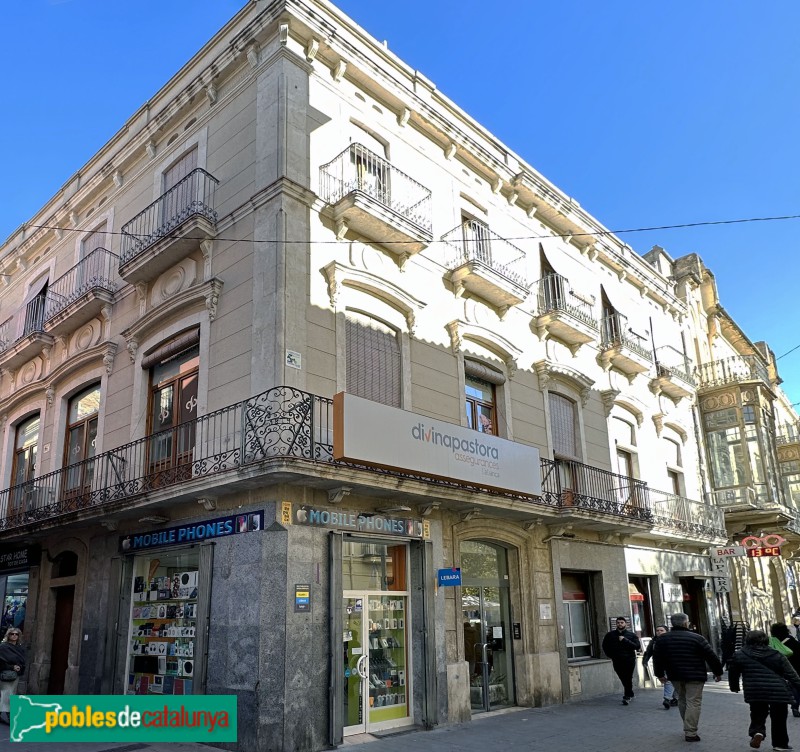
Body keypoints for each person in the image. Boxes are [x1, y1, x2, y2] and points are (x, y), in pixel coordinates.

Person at [653, 613, 723, 743]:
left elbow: (657, 658)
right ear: (686, 623)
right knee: (693, 701)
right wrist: (718, 672)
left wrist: (659, 674)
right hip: (695, 675)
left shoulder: (662, 639)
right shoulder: (697, 638)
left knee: (682, 699)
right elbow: (711, 656)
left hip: (675, 675)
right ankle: (690, 732)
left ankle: (688, 726)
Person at [728, 629, 800, 751]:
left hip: (755, 690)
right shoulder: (777, 654)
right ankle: (780, 744)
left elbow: (733, 672)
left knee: (757, 713)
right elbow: (791, 674)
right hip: (778, 690)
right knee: (779, 716)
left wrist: (734, 687)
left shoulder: (740, 654)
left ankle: (758, 732)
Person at [602, 616, 641, 705]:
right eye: (618, 623)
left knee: (628, 677)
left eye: (622, 623)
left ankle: (627, 696)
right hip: (617, 659)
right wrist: (610, 655)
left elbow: (637, 646)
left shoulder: (631, 635)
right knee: (622, 677)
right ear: (616, 624)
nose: (620, 624)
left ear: (625, 624)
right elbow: (605, 646)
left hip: (629, 659)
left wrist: (625, 640)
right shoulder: (610, 635)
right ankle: (630, 692)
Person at [643, 625, 678, 709]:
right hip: (660, 665)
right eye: (657, 630)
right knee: (669, 681)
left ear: (666, 631)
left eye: (661, 630)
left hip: (672, 664)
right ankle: (673, 698)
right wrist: (645, 661)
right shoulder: (654, 641)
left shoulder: (672, 640)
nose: (659, 632)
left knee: (671, 681)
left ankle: (669, 699)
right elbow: (648, 652)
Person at [770, 623, 800, 718]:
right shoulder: (792, 641)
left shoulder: (772, 641)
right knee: (795, 687)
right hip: (794, 667)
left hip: (778, 669)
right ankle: (795, 706)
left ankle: (778, 705)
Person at [0, 627, 25, 725]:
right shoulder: (3, 647)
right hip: (6, 675)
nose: (14, 636)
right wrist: (11, 667)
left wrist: (19, 667)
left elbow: (22, 661)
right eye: (12, 634)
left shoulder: (19, 648)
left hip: (15, 676)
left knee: (8, 696)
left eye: (16, 634)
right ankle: (11, 718)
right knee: (7, 696)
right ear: (8, 635)